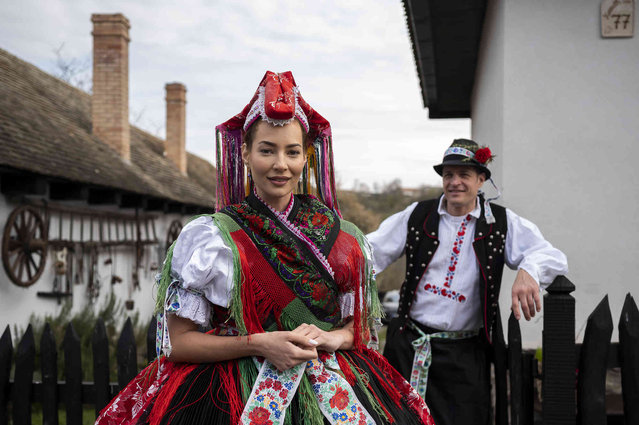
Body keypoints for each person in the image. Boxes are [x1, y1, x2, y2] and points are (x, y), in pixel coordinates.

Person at [96, 71, 434, 425]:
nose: (280, 165)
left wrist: (334, 337)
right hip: (229, 394)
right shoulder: (213, 239)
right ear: (244, 152)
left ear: (306, 158)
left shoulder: (343, 239)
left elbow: (360, 331)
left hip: (332, 384)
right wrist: (258, 343)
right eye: (267, 150)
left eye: (292, 152)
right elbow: (179, 344)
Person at [367, 138, 568, 425]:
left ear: (481, 179)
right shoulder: (418, 215)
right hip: (409, 347)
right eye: (448, 175)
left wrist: (529, 270)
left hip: (465, 357)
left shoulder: (501, 222)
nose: (455, 182)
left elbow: (553, 256)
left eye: (464, 175)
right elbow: (368, 252)